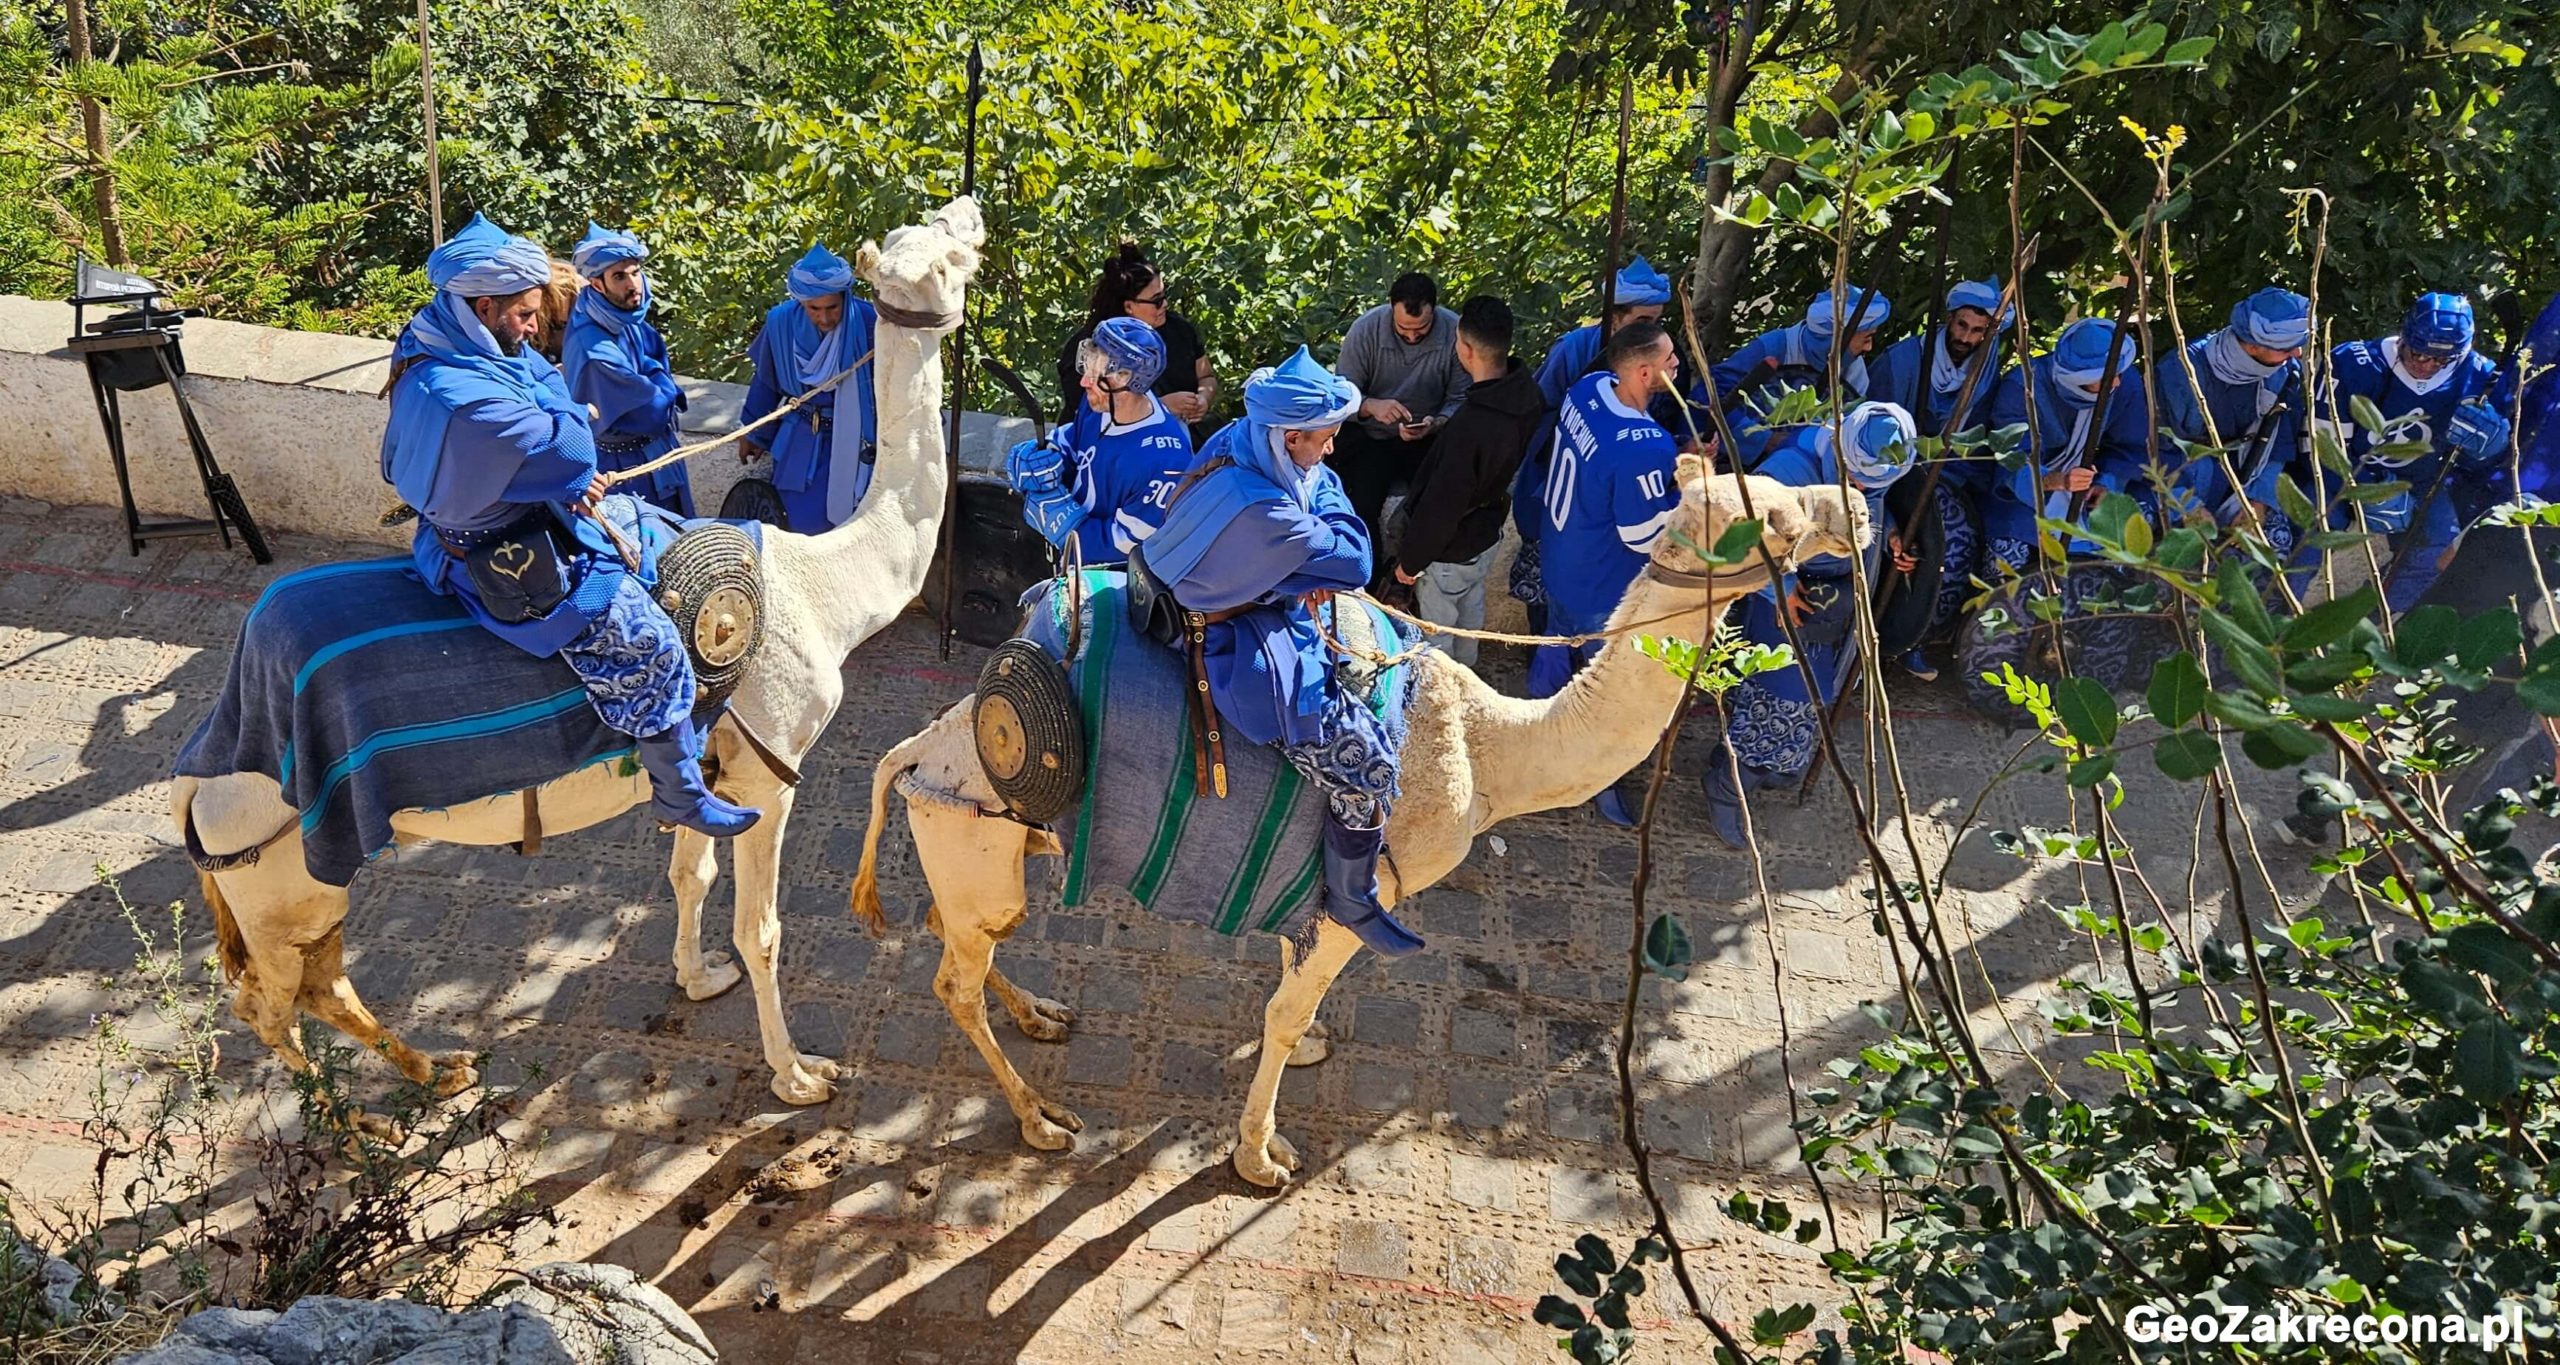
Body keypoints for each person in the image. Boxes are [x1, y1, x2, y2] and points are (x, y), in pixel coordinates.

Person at [378, 213, 758, 838]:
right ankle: (679, 794)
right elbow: (576, 451)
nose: (534, 330)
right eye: (525, 315)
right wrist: (570, 422)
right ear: (483, 305)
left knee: (650, 524)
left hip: (494, 508)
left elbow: (540, 399)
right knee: (651, 645)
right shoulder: (463, 394)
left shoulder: (434, 338)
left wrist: (561, 442)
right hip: (507, 550)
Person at [1134, 348, 1423, 958]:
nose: (1332, 450)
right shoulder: (1264, 510)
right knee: (1366, 769)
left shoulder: (1238, 439)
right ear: (1290, 438)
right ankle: (1351, 896)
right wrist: (1319, 521)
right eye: (1324, 438)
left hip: (1222, 591)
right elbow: (1355, 561)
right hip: (1228, 637)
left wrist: (1308, 530)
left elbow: (1323, 506)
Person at [1701, 403, 1918, 848]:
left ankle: (1764, 764)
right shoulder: (1787, 472)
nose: (1861, 487)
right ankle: (1727, 786)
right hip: (1783, 601)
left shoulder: (1871, 469)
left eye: (1871, 483)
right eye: (1855, 478)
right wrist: (1781, 587)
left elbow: (1871, 508)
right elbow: (1744, 536)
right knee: (1786, 695)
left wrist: (1891, 535)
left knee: (1810, 695)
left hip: (1830, 608)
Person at [1530, 319, 1685, 825]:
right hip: (1603, 587)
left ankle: (1535, 723)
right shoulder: (1646, 447)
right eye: (1668, 360)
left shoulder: (1589, 388)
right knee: (1608, 689)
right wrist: (1685, 490)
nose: (1676, 365)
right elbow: (1644, 537)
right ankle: (1598, 775)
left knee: (1555, 646)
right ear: (1643, 373)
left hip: (1561, 557)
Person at [1511, 255, 1687, 634]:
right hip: (1558, 484)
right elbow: (1539, 410)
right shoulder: (1575, 351)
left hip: (1616, 490)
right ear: (1615, 318)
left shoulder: (1659, 359)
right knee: (1544, 599)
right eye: (1642, 320)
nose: (1651, 329)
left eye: (1657, 321)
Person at [2299, 292, 2508, 609]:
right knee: (2309, 531)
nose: (2425, 365)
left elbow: (2476, 467)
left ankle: (2383, 619)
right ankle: (2277, 611)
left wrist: (2491, 446)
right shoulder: (2352, 363)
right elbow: (2318, 447)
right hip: (2343, 475)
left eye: (2439, 360)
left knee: (2440, 549)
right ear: (2404, 337)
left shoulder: (2480, 376)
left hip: (2421, 483)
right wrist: (2366, 490)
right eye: (2418, 353)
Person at [1864, 277, 2011, 679]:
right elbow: (1871, 428)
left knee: (1953, 545)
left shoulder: (1985, 365)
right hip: (1891, 473)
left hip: (1954, 477)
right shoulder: (1901, 362)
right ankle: (1874, 634)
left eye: (1978, 330)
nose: (1966, 338)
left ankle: (1918, 637)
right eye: (1962, 325)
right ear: (1949, 318)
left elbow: (1978, 433)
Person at [1392, 296, 1544, 667]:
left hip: (1451, 548)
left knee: (1438, 629)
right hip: (1487, 531)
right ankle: (1469, 672)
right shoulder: (1527, 395)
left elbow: (1441, 508)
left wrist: (1409, 564)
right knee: (1471, 610)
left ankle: (1445, 686)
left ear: (1466, 349)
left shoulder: (1473, 427)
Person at [2136, 287, 2312, 562]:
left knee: (2273, 548)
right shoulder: (2182, 371)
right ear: (2253, 346)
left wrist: (2259, 502)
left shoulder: (2285, 373)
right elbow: (2155, 445)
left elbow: (2280, 441)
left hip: (2248, 475)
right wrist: (2188, 506)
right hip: (2178, 476)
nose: (2298, 353)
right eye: (2287, 348)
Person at [1005, 316, 1196, 565]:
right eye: (1088, 363)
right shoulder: (1100, 403)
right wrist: (1048, 453)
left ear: (1126, 377)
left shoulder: (1168, 462)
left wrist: (1070, 530)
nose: (1084, 381)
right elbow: (1075, 441)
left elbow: (1130, 545)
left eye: (1097, 372)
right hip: (1066, 563)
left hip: (1106, 580)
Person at [737, 244, 879, 532]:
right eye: (814, 309)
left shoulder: (870, 322)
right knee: (796, 523)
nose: (824, 318)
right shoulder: (780, 323)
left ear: (845, 297)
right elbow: (766, 380)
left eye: (832, 307)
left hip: (857, 440)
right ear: (800, 302)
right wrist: (755, 432)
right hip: (800, 438)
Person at [1332, 272, 1473, 551]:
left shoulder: (1454, 332)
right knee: (1361, 503)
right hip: (1370, 436)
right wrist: (1369, 406)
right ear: (1390, 308)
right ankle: (1368, 570)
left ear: (1434, 311)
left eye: (1421, 329)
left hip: (1427, 436)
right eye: (1403, 328)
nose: (1411, 336)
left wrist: (1438, 422)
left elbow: (1461, 397)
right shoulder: (1366, 330)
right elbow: (1340, 395)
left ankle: (1413, 567)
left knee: (1441, 500)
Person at [561, 223, 691, 517]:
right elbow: (652, 411)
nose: (633, 284)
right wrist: (655, 372)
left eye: (635, 272)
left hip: (654, 456)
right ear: (597, 284)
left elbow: (652, 353)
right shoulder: (594, 351)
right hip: (627, 468)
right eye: (619, 276)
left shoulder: (619, 315)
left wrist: (652, 371)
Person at [1712, 286, 1892, 463]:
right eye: (1866, 338)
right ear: (1837, 337)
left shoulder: (1855, 370)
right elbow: (1712, 394)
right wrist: (1762, 439)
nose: (1869, 347)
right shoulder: (1775, 347)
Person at [1052, 242, 1217, 430]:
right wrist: (1160, 407)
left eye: (1164, 296)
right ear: (1129, 306)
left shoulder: (1180, 329)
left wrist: (1203, 399)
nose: (1165, 304)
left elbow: (1206, 376)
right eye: (1156, 300)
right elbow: (1090, 414)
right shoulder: (1091, 347)